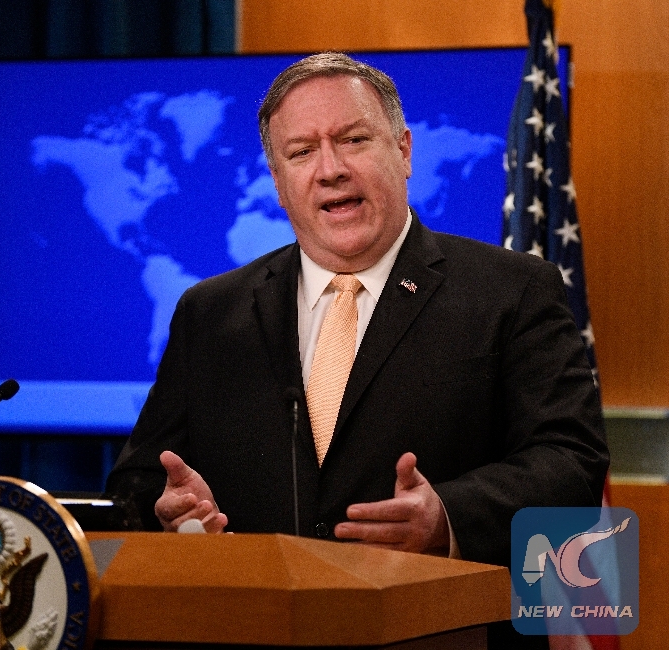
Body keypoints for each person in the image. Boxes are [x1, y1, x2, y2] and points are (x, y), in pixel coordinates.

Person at [106, 49, 607, 591]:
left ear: (404, 150)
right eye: (302, 152)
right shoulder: (211, 312)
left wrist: (448, 517)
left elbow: (572, 461)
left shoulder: (511, 290)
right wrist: (172, 511)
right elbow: (141, 479)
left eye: (353, 140)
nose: (331, 170)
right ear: (278, 181)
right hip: (257, 616)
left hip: (437, 618)